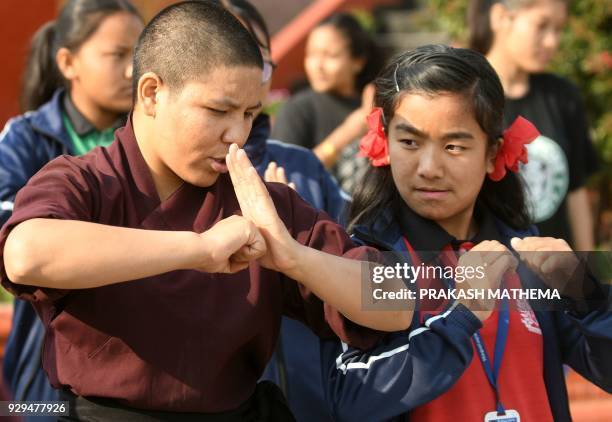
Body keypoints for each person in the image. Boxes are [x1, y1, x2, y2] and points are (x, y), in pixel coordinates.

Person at [0, 2, 411, 420]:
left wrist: (296, 257)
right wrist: (198, 249)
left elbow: (395, 302)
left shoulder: (261, 204)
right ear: (151, 93)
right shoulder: (83, 181)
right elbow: (25, 256)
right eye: (218, 111)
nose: (237, 134)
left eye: (251, 114)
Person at [320, 45, 612, 422]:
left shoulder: (526, 252)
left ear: (493, 153)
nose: (428, 167)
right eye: (409, 142)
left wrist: (587, 295)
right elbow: (350, 400)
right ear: (384, 142)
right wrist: (461, 317)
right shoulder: (365, 258)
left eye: (454, 146)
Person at [0, 0, 143, 410]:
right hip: (50, 368)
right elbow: (10, 231)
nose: (132, 71)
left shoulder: (154, 137)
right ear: (68, 61)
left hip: (144, 359)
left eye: (137, 56)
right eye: (116, 55)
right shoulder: (26, 138)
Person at [218, 1, 348, 420]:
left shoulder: (303, 167)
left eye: (253, 52)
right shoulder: (183, 177)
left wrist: (298, 233)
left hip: (314, 399)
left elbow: (363, 277)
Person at [467, 0, 599, 250]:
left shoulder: (562, 96)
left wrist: (584, 274)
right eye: (542, 26)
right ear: (501, 17)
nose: (552, 42)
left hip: (556, 276)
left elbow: (576, 192)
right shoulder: (463, 96)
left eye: (559, 30)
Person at [271, 12, 384, 194]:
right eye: (312, 55)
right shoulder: (298, 109)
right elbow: (283, 178)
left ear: (358, 62)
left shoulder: (369, 105)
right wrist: (348, 132)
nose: (318, 65)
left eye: (330, 56)